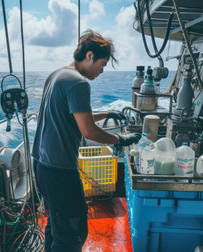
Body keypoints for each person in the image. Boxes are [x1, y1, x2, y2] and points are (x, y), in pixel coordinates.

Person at [32, 29, 141, 252]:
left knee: (57, 222)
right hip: (60, 169)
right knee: (73, 232)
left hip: (41, 164)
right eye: (102, 64)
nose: (102, 71)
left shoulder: (57, 75)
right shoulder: (79, 83)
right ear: (90, 56)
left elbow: (73, 114)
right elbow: (89, 131)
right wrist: (118, 139)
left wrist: (106, 114)